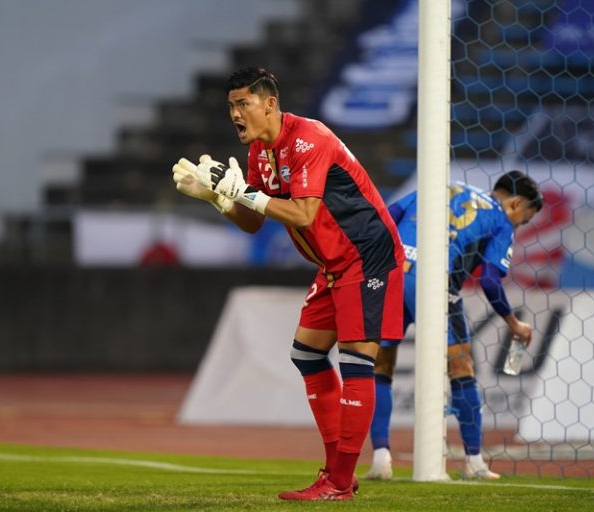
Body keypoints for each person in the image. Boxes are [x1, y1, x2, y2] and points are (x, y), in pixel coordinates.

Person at [171, 67, 404, 501]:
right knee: (307, 355)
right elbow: (254, 222)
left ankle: (339, 482)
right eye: (231, 106)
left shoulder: (308, 139)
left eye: (243, 104)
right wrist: (217, 198)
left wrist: (242, 193)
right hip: (333, 264)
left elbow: (302, 214)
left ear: (270, 104)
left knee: (356, 362)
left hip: (366, 255)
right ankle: (337, 472)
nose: (235, 114)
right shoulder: (261, 152)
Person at [365, 172, 543, 481]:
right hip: (436, 285)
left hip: (392, 275)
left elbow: (386, 217)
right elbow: (489, 280)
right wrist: (513, 321)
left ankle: (381, 459)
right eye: (524, 220)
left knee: (381, 366)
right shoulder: (501, 219)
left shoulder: (441, 187)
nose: (519, 225)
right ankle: (474, 463)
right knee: (461, 368)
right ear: (516, 203)